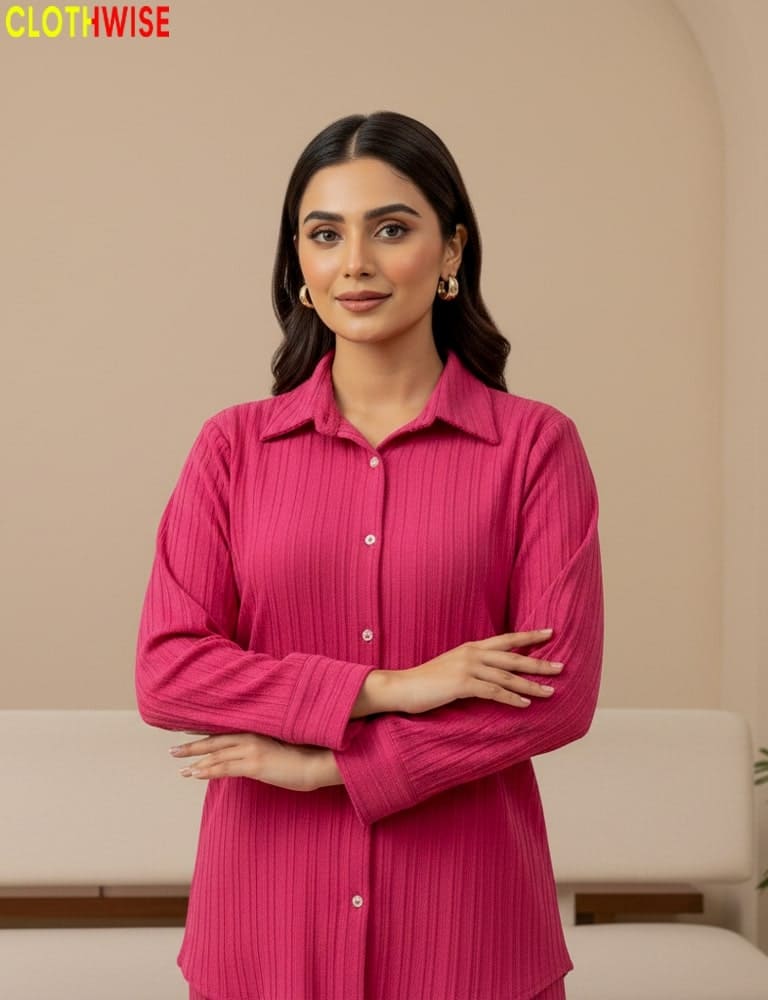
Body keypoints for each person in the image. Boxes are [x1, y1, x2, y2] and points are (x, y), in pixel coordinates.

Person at [135, 110, 604, 1000]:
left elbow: (557, 694)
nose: (356, 261)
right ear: (300, 268)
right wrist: (389, 687)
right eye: (325, 234)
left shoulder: (536, 448)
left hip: (470, 934)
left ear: (451, 249)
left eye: (391, 228)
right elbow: (169, 671)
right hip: (264, 928)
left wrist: (339, 763)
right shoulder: (232, 448)